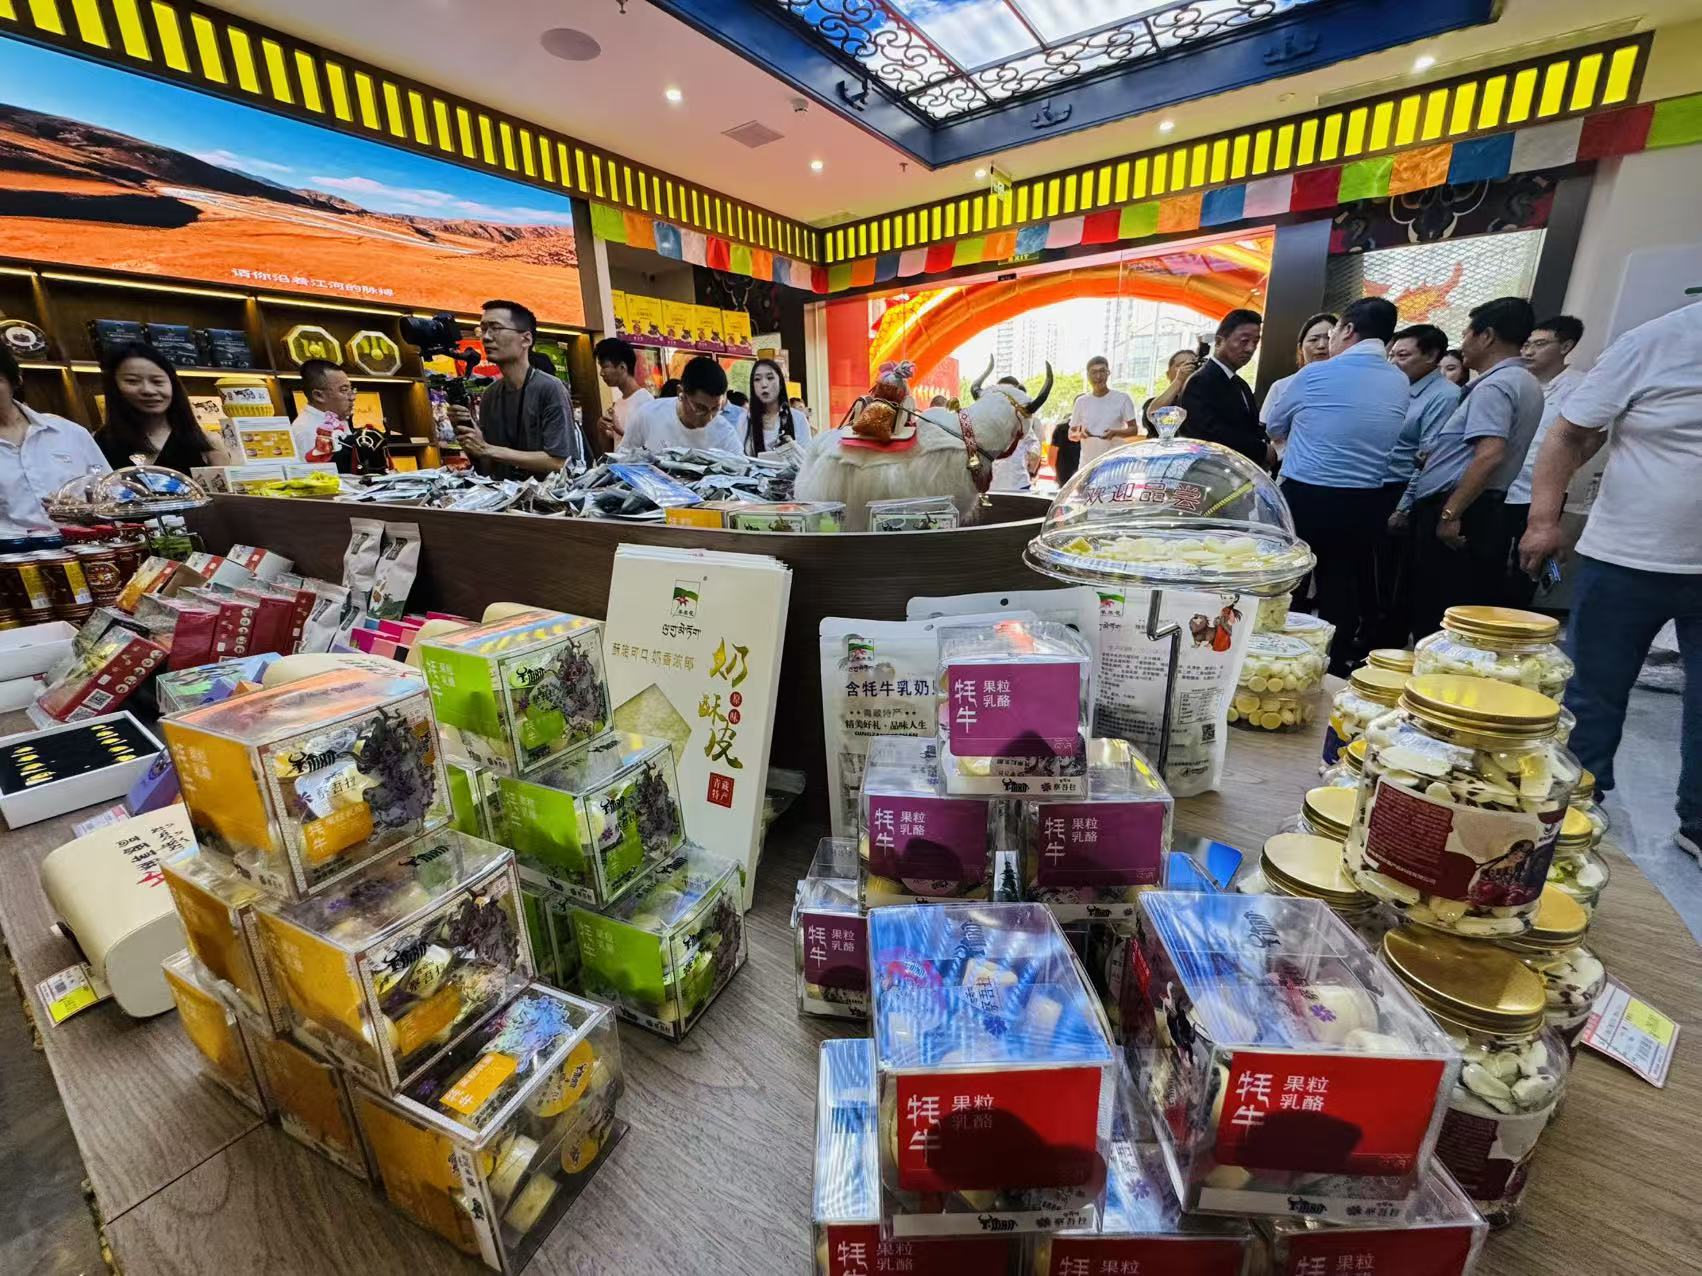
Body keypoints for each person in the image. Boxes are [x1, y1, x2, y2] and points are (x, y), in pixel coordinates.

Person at [1518, 300, 1702, 859]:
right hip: (1626, 558)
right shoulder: (1656, 341)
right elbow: (1568, 434)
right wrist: (1543, 520)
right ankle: (1579, 801)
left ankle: (1697, 822)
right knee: (1595, 692)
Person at [1265, 298, 1410, 674]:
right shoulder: (1398, 380)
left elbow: (1275, 426)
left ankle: (1278, 661)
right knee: (1342, 586)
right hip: (1366, 500)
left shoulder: (1316, 374)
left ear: (1347, 330)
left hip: (1307, 494)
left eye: (1330, 333)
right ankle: (1331, 666)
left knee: (1290, 581)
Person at [1407, 297, 1544, 638]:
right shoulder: (1524, 381)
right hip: (1482, 506)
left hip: (1464, 508)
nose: (1464, 343)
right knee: (1464, 611)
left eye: (1467, 334)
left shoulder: (1495, 386)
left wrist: (1450, 514)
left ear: (1487, 336)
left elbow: (1490, 454)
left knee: (1439, 616)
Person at [1381, 324, 1461, 647]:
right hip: (1382, 487)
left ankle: (1391, 647)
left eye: (1403, 355)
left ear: (1431, 356)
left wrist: (1403, 507)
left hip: (1405, 492)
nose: (1394, 362)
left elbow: (1429, 458)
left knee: (1397, 581)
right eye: (1392, 355)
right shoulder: (1399, 388)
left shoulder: (1444, 396)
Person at [1502, 316, 1585, 607]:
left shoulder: (1579, 385)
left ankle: (1517, 619)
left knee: (1527, 564)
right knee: (1492, 560)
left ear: (1565, 346)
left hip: (1541, 492)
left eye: (1539, 344)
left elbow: (1591, 439)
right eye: (1526, 344)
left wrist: (1561, 471)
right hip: (1504, 485)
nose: (1529, 351)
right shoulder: (1518, 381)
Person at [450, 300, 584, 479]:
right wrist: (469, 434)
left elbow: (559, 463)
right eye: (483, 329)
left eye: (496, 328)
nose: (486, 337)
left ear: (526, 339)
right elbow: (488, 467)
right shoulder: (490, 395)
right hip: (501, 494)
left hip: (545, 496)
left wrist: (488, 449)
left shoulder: (550, 388)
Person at [0, 347, 108, 535]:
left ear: (15, 380)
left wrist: (87, 511)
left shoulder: (68, 432)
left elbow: (115, 494)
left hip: (87, 546)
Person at [95, 342, 229, 473]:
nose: (148, 390)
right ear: (113, 387)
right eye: (132, 381)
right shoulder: (98, 444)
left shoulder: (209, 444)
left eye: (157, 381)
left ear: (173, 385)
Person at [1177, 309, 1266, 466]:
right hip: (1210, 470)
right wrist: (1262, 450)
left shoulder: (1241, 384)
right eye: (1244, 341)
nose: (1250, 349)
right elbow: (1210, 435)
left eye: (1255, 342)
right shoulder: (1200, 381)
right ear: (1219, 342)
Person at [622, 355, 742, 454]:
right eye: (700, 408)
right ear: (681, 392)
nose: (709, 418)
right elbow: (622, 458)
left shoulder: (724, 433)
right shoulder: (649, 415)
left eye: (715, 409)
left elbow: (741, 469)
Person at [1259, 312, 1337, 446]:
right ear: (1300, 348)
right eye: (1313, 339)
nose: (1322, 345)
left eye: (1329, 338)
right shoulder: (1281, 386)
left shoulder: (1350, 386)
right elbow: (1266, 431)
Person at [1066, 355, 1140, 466]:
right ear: (1088, 375)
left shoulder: (1122, 398)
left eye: (1102, 371)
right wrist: (1080, 434)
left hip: (1114, 463)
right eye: (1094, 372)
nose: (1098, 376)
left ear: (1108, 373)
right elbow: (1071, 433)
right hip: (1088, 464)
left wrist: (1115, 432)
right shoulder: (1081, 401)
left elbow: (1134, 430)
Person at [290, 358, 358, 470]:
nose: (352, 397)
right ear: (318, 396)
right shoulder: (306, 430)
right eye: (344, 390)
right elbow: (318, 476)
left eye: (351, 389)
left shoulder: (337, 420)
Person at [593, 336, 652, 450]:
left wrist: (620, 430)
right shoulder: (617, 404)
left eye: (605, 367)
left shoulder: (645, 401)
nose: (601, 373)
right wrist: (602, 431)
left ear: (622, 367)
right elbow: (610, 450)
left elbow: (650, 447)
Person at [990, 376, 1043, 493]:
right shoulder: (986, 419)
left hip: (1018, 483)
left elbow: (1033, 442)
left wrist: (1034, 453)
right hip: (991, 484)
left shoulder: (1022, 419)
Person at [745, 357, 808, 453]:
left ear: (781, 383)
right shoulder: (745, 420)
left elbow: (807, 456)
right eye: (757, 379)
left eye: (770, 378)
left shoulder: (798, 418)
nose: (764, 384)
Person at [1140, 349, 1200, 425]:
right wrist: (1179, 380)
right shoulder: (1152, 403)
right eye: (1180, 365)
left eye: (1192, 364)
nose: (1187, 367)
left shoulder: (1203, 400)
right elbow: (1153, 415)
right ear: (1168, 374)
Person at [1049, 417, 1081, 487]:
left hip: (1064, 477)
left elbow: (1051, 459)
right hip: (1086, 475)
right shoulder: (1094, 429)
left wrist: (1058, 474)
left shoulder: (1061, 428)